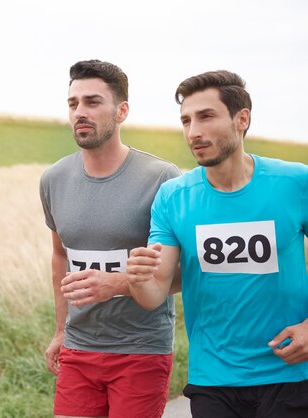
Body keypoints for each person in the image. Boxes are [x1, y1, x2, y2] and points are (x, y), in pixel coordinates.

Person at [126, 70, 308, 417]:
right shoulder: (173, 197)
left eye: (206, 116)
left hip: (290, 371)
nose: (193, 132)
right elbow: (153, 293)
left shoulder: (295, 182)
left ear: (242, 119)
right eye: (186, 121)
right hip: (214, 378)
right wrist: (139, 279)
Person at [39, 59, 182, 418]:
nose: (79, 112)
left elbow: (185, 270)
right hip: (79, 347)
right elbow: (60, 256)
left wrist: (116, 284)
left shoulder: (162, 178)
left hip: (141, 350)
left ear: (122, 111)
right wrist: (60, 330)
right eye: (73, 104)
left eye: (92, 102)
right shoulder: (53, 179)